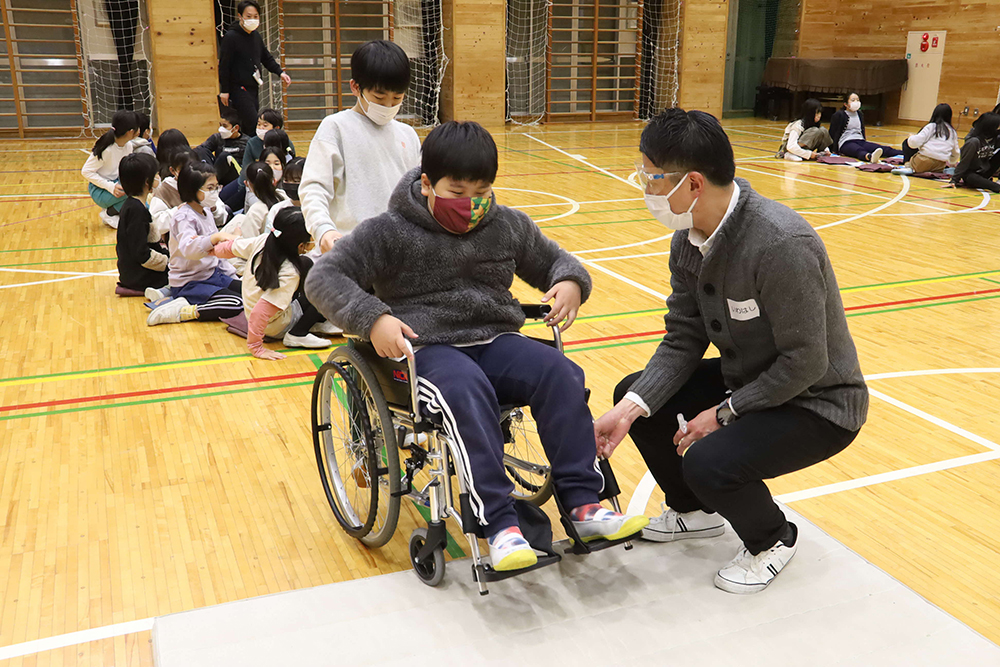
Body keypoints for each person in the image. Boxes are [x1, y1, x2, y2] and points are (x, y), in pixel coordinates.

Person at [305, 121, 648, 572]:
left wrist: (569, 282)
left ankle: (585, 506)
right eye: (459, 190)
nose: (472, 203)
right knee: (465, 391)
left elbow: (558, 261)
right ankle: (501, 527)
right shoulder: (387, 232)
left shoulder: (506, 225)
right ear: (427, 184)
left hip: (496, 337)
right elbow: (322, 277)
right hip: (427, 348)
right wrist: (374, 319)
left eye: (483, 189)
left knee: (560, 372)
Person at [594, 109, 868, 595]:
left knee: (708, 458)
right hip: (750, 380)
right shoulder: (688, 240)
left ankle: (774, 539)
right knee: (636, 394)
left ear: (693, 183)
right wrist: (630, 409)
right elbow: (683, 336)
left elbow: (806, 362)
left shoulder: (781, 244)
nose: (645, 189)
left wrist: (723, 414)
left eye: (651, 178)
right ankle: (694, 511)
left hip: (818, 400)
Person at [301, 40, 421, 253]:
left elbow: (419, 194)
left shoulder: (408, 135)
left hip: (398, 253)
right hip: (350, 251)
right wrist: (323, 229)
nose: (388, 106)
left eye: (397, 98)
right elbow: (314, 187)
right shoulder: (336, 127)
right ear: (356, 87)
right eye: (379, 97)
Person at [213, 207, 337, 357]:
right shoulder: (290, 272)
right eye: (311, 237)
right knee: (328, 291)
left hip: (254, 311)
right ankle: (298, 333)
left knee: (306, 263)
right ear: (300, 245)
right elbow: (260, 313)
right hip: (274, 325)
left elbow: (229, 248)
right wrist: (256, 347)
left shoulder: (265, 240)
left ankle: (313, 320)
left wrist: (209, 247)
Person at [146, 162, 243, 326]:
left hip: (213, 276)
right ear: (193, 189)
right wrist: (216, 238)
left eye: (216, 187)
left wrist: (234, 277)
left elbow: (216, 258)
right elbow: (190, 249)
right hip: (190, 283)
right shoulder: (183, 216)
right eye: (210, 188)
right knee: (236, 303)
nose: (215, 192)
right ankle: (181, 310)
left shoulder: (206, 211)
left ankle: (175, 297)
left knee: (250, 294)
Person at [217, 0, 291, 136]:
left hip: (252, 87)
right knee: (253, 122)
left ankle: (246, 152)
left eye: (255, 16)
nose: (252, 19)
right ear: (240, 16)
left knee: (246, 125)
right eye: (248, 16)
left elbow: (266, 57)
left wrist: (280, 73)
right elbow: (224, 65)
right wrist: (224, 90)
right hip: (237, 88)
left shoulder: (256, 36)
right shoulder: (231, 37)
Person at [221, 108, 295, 211]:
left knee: (230, 208)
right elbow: (245, 169)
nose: (260, 128)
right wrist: (245, 186)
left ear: (276, 128)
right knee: (221, 198)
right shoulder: (252, 142)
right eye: (258, 124)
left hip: (270, 185)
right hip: (250, 181)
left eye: (265, 125)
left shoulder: (286, 143)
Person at [115, 152, 168, 294]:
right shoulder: (136, 210)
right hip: (138, 275)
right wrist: (169, 263)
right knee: (185, 275)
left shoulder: (136, 205)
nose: (158, 178)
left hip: (136, 270)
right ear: (146, 181)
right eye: (155, 175)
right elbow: (142, 255)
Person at [150, 148, 228, 240]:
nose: (188, 174)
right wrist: (177, 211)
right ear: (172, 170)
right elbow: (156, 225)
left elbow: (222, 218)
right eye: (183, 170)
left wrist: (214, 208)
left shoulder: (204, 184)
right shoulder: (164, 190)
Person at [81, 109, 138, 228]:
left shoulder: (128, 146)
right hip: (101, 190)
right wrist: (110, 186)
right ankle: (110, 212)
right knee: (133, 191)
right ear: (130, 132)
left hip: (117, 184)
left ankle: (117, 211)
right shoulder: (107, 149)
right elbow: (85, 171)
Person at [829, 92, 902, 163]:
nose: (856, 102)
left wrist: (864, 141)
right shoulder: (839, 115)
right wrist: (834, 149)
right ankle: (869, 157)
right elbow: (833, 132)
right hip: (845, 143)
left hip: (860, 140)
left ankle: (905, 153)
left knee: (882, 149)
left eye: (857, 100)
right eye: (853, 100)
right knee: (859, 150)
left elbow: (862, 130)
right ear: (845, 104)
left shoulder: (860, 114)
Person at [896, 103, 960, 175]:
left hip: (922, 163)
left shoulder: (931, 126)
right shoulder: (952, 132)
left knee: (906, 142)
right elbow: (956, 152)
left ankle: (908, 166)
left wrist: (911, 137)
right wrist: (952, 162)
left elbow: (914, 143)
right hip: (939, 166)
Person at [194, 107, 248, 185]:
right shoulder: (217, 138)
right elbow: (201, 150)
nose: (221, 129)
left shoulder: (247, 142)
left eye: (225, 126)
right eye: (220, 125)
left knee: (224, 156)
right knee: (201, 150)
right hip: (218, 171)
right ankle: (207, 178)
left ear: (236, 128)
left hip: (235, 176)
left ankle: (209, 181)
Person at [949, 112, 1000, 193]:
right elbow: (964, 162)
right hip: (971, 174)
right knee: (971, 178)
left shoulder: (995, 138)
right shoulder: (973, 142)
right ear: (991, 128)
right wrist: (954, 180)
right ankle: (996, 187)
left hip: (985, 170)